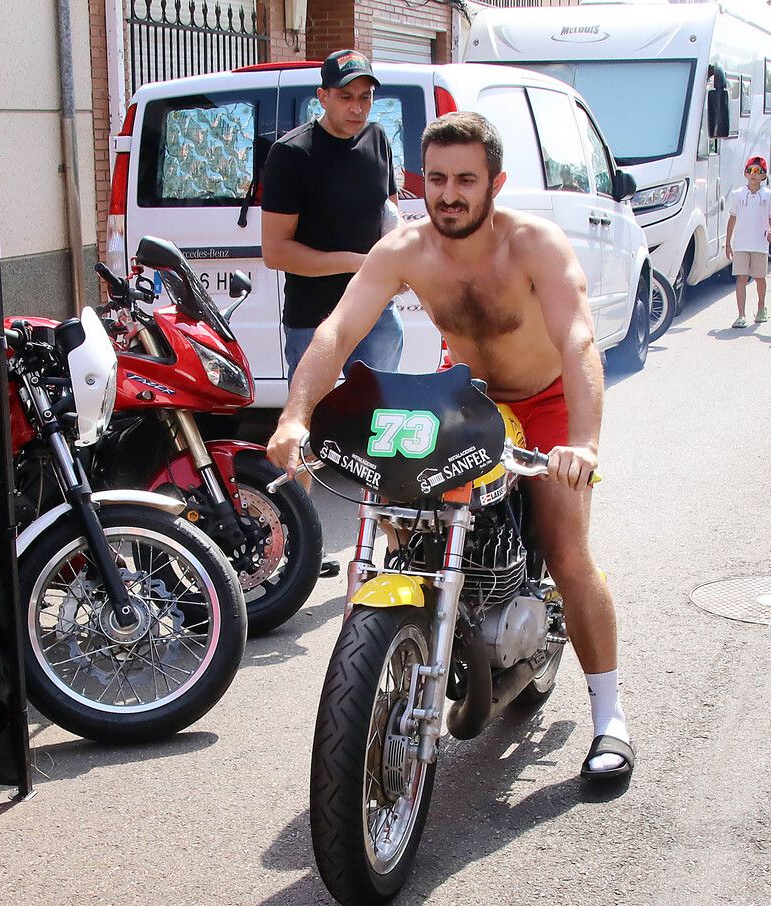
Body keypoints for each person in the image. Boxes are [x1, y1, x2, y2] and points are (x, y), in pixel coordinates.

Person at [266, 112, 634, 780]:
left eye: (466, 179)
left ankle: (609, 716)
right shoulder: (405, 250)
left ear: (496, 182)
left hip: (545, 399)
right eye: (436, 179)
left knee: (567, 549)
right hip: (470, 398)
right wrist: (296, 416)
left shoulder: (534, 244)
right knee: (403, 527)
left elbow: (579, 339)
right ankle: (389, 657)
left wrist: (582, 443)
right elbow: (335, 331)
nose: (449, 194)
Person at [261, 50, 405, 379]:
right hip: (314, 317)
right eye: (345, 97)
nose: (356, 108)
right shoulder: (292, 153)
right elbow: (275, 251)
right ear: (323, 97)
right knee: (312, 421)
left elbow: (391, 216)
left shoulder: (377, 138)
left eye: (365, 97)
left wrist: (401, 262)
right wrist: (360, 263)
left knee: (379, 420)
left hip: (375, 312)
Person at [725, 155, 771, 327]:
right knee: (741, 277)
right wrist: (728, 242)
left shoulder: (768, 195)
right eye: (750, 171)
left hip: (759, 243)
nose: (753, 174)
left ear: (764, 175)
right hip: (741, 243)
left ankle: (761, 308)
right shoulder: (738, 194)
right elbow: (732, 218)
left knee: (760, 277)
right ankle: (741, 314)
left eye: (758, 171)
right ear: (745, 174)